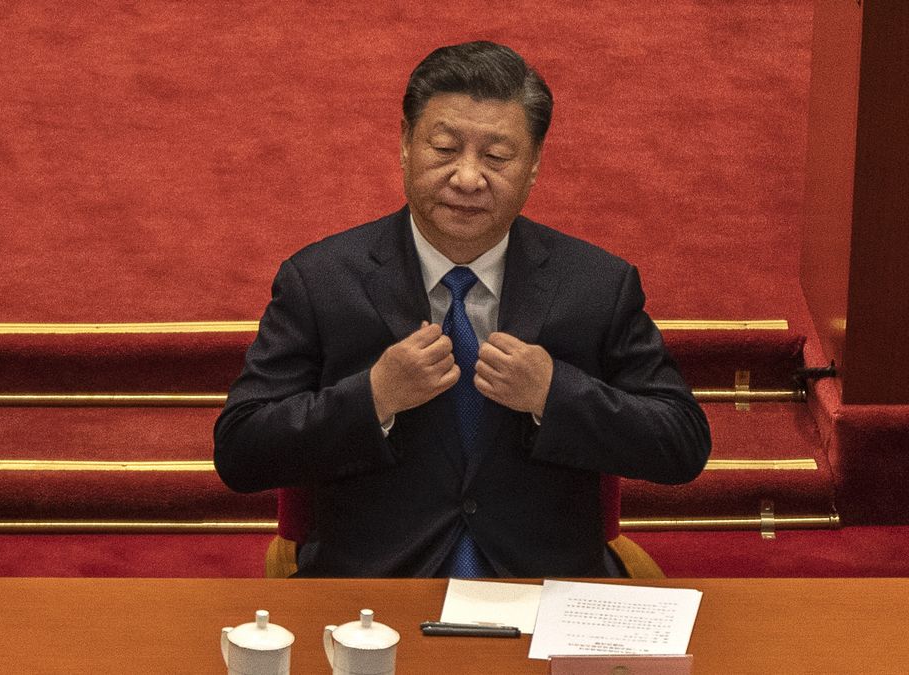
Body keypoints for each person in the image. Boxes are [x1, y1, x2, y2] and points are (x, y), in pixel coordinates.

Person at [214, 41, 710, 578]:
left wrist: (554, 392)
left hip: (541, 588)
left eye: (496, 157)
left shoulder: (596, 284)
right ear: (405, 144)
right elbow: (241, 451)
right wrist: (374, 396)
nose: (468, 178)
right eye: (445, 148)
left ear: (535, 164)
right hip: (377, 592)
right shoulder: (322, 279)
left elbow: (681, 443)